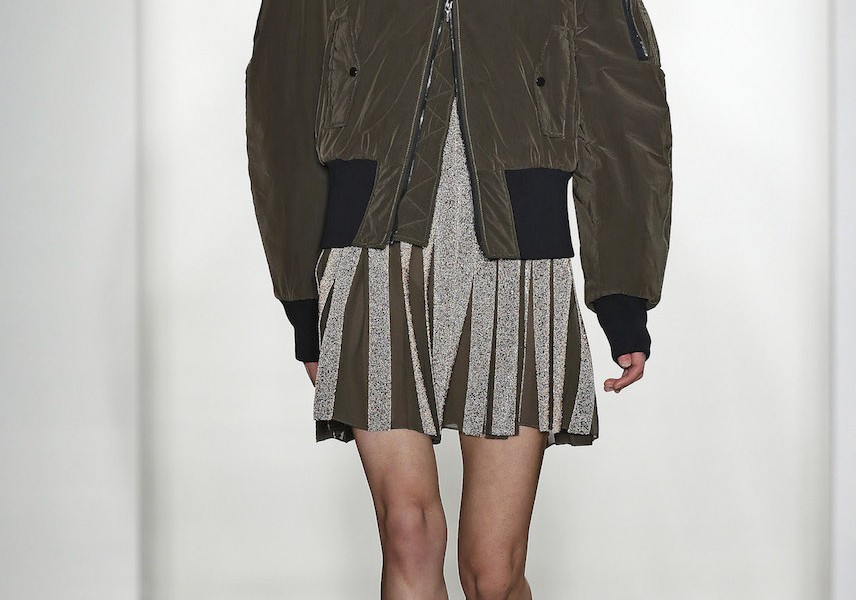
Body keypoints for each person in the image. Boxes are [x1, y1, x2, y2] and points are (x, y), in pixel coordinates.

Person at [245, 0, 672, 597]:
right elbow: (283, 103)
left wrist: (622, 297)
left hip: (516, 263)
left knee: (493, 572)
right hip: (374, 256)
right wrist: (302, 301)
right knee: (408, 533)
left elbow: (622, 110)